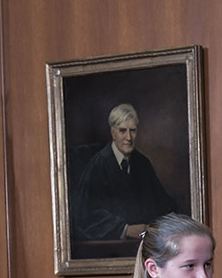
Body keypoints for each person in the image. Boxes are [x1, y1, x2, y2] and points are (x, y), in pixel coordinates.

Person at [73, 103, 176, 243]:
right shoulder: (98, 166)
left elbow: (162, 203)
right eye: (123, 131)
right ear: (113, 133)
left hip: (144, 244)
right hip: (109, 248)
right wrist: (125, 229)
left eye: (132, 130)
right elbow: (87, 215)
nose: (129, 137)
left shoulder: (142, 164)